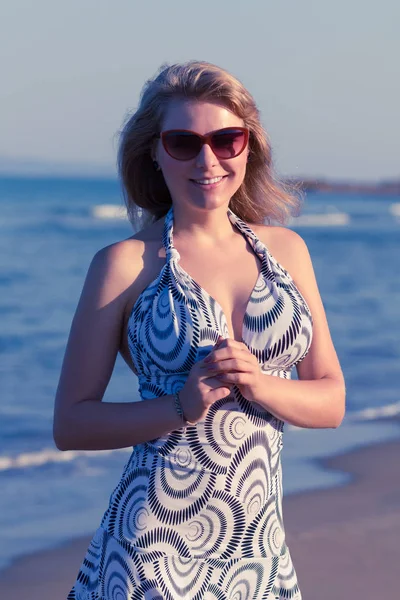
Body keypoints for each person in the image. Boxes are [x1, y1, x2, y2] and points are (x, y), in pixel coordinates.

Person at [54, 60, 346, 600]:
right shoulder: (124, 265)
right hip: (154, 554)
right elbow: (71, 423)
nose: (207, 160)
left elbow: (330, 401)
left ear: (248, 147)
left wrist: (261, 384)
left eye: (226, 140)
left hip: (259, 553)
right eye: (184, 143)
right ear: (155, 153)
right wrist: (180, 407)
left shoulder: (287, 252)